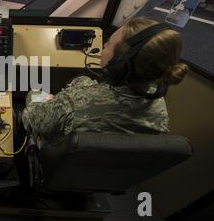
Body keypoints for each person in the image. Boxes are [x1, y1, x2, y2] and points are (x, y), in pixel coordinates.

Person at [22, 17, 188, 144]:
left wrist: (47, 102)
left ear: (120, 63)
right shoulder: (159, 108)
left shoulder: (72, 104)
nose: (103, 47)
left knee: (35, 93)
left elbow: (32, 119)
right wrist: (82, 83)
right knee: (83, 78)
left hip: (56, 159)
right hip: (111, 174)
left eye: (108, 43)